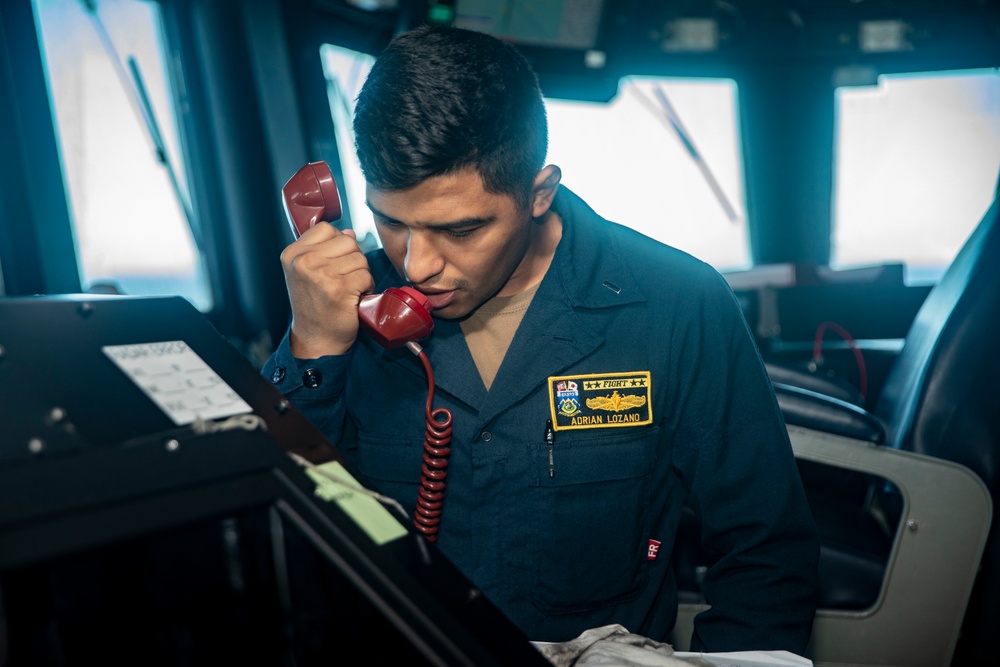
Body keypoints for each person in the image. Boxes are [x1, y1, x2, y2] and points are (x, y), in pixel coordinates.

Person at [263, 23, 818, 654]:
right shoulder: (343, 308)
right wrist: (311, 349)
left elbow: (766, 551)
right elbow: (279, 531)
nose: (416, 266)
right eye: (390, 222)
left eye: (462, 230)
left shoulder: (677, 305)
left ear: (538, 194)